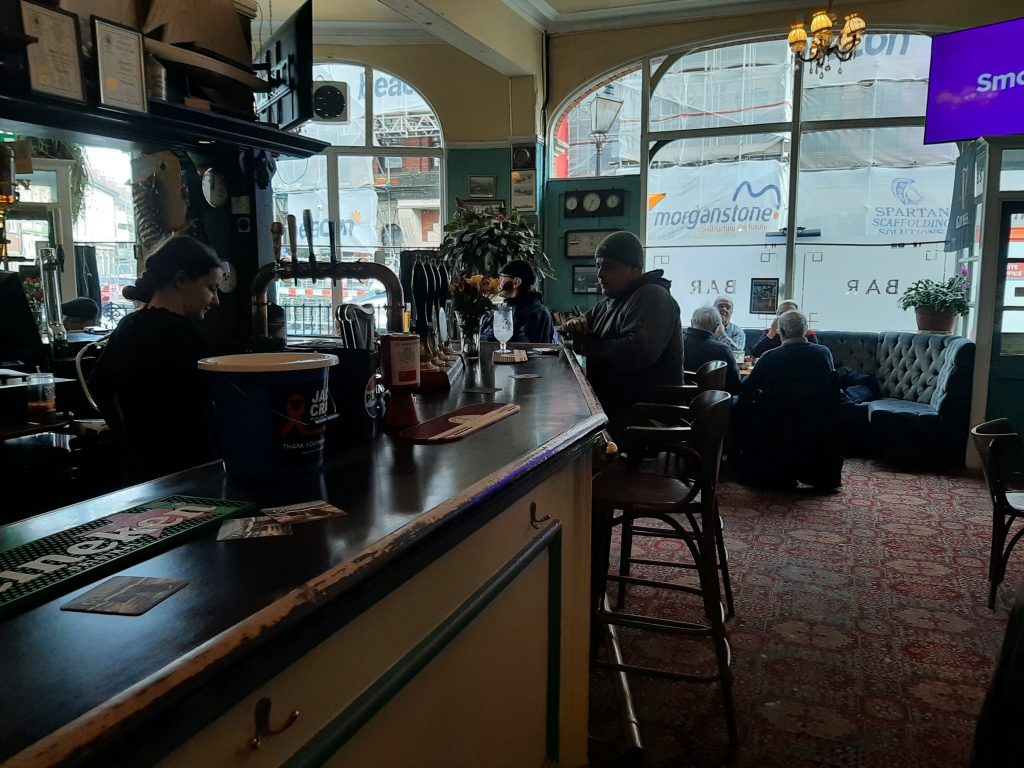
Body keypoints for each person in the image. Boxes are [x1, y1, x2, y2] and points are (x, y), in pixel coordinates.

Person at [90, 235, 224, 484]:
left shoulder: (127, 326)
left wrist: (127, 439)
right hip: (192, 473)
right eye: (211, 288)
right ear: (181, 280)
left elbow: (99, 386)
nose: (215, 300)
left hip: (141, 474)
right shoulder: (188, 336)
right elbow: (217, 408)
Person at [561, 231, 684, 438]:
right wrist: (572, 325)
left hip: (646, 416)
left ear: (635, 270)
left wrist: (583, 343)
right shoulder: (613, 301)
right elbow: (571, 331)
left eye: (609, 267)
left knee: (564, 432)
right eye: (598, 266)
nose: (600, 274)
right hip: (618, 407)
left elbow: (637, 353)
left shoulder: (652, 296)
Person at [734, 310, 842, 489]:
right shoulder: (823, 353)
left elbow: (747, 387)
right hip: (815, 421)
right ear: (806, 331)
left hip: (778, 422)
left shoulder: (771, 357)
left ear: (781, 332)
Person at [479, 259, 556, 344]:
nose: (498, 282)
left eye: (502, 277)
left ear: (516, 282)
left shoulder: (537, 312)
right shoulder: (503, 306)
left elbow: (525, 348)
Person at [684, 306, 742, 395]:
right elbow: (735, 386)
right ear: (717, 327)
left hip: (676, 403)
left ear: (692, 322)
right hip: (711, 405)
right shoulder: (722, 349)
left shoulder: (676, 343)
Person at [749, 299, 820, 358]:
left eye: (791, 313)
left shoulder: (808, 335)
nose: (787, 317)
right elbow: (755, 354)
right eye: (782, 313)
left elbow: (816, 355)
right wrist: (772, 333)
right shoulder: (770, 333)